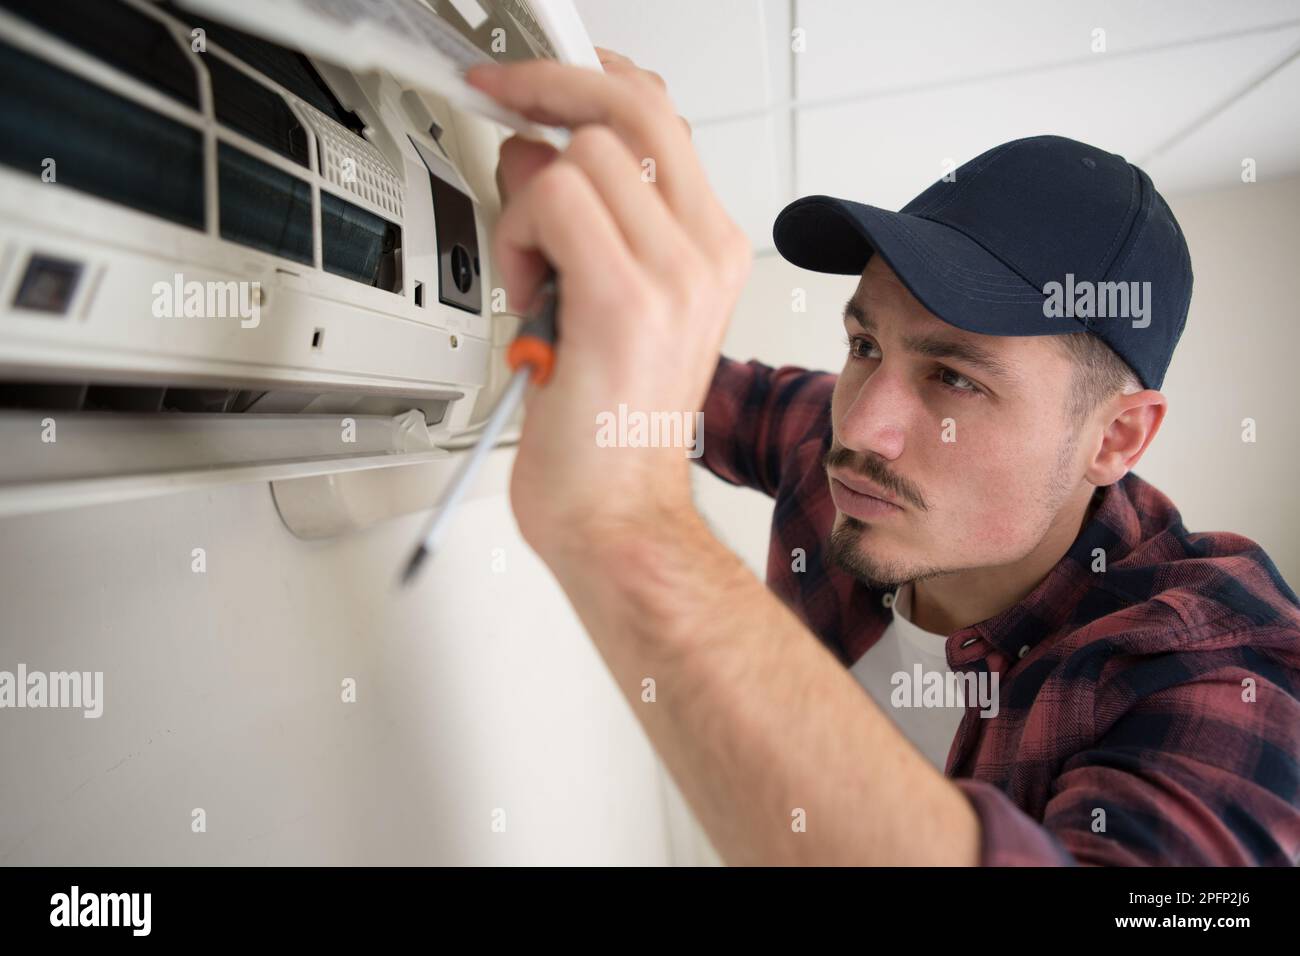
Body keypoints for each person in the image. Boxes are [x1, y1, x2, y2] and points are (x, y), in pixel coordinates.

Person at [463, 49, 1300, 866]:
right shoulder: (836, 446)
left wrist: (629, 528)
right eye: (864, 343)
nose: (861, 429)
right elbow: (645, 376)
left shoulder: (1217, 668)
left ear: (1115, 437)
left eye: (954, 378)